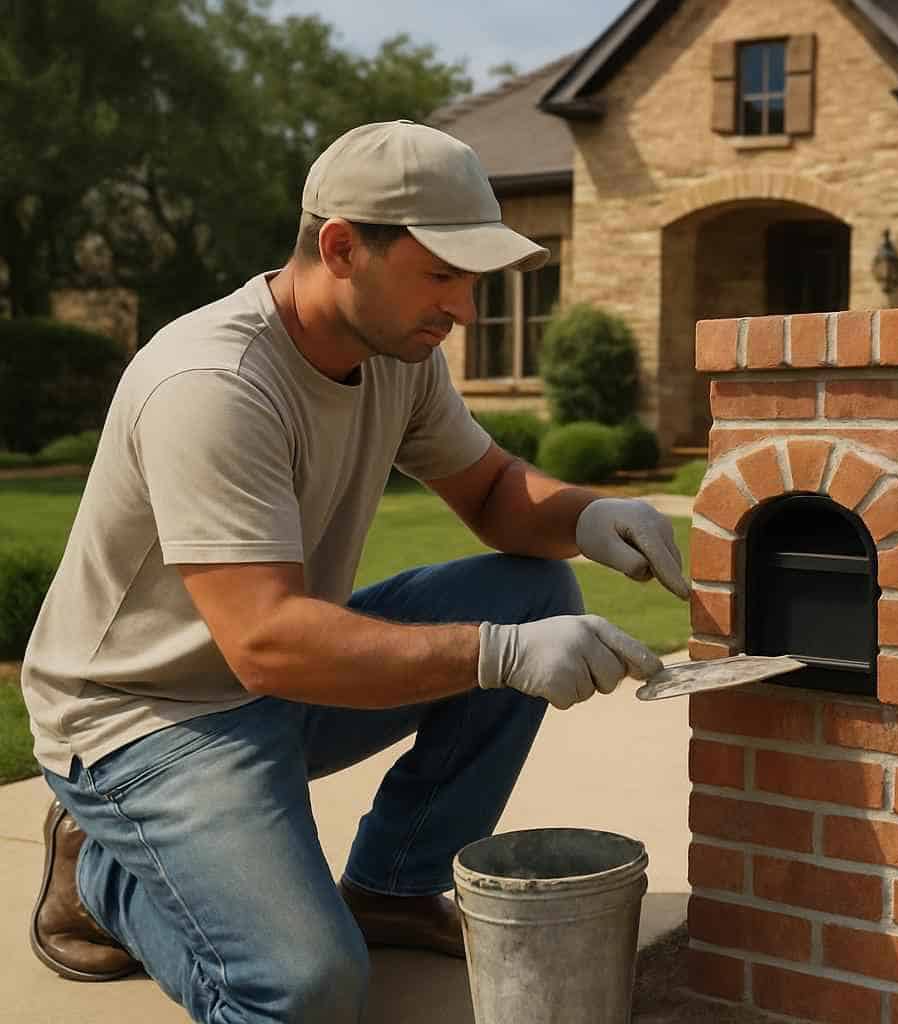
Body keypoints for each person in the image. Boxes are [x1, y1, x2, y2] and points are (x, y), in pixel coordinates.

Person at [21, 120, 688, 1023]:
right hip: (148, 718)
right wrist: (496, 656)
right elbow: (263, 643)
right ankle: (103, 876)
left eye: (472, 280)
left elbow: (492, 489)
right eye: (442, 274)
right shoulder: (213, 383)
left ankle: (393, 887)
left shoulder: (396, 355)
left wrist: (593, 514)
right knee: (304, 991)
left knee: (532, 589)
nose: (465, 309)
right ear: (341, 247)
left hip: (276, 682)